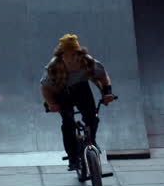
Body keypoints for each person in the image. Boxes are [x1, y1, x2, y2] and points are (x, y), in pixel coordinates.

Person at [40, 34, 116, 170]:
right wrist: (51, 103)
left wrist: (107, 92)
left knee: (92, 116)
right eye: (68, 56)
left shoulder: (88, 61)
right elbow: (45, 88)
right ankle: (73, 157)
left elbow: (103, 76)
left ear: (80, 53)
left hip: (81, 88)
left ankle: (91, 140)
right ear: (62, 55)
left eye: (75, 55)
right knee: (68, 123)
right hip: (62, 91)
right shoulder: (53, 67)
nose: (73, 59)